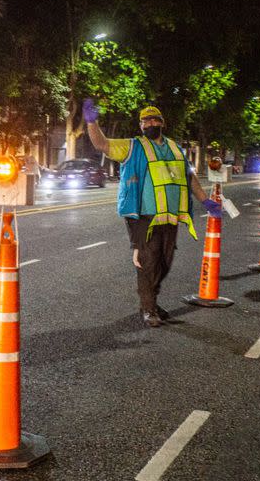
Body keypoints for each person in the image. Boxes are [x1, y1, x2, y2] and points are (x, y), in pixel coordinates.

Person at [83, 100, 221, 327]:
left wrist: (206, 201)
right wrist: (91, 122)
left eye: (154, 119)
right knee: (148, 261)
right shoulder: (132, 146)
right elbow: (102, 144)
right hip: (142, 217)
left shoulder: (175, 148)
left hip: (169, 216)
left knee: (164, 262)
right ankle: (148, 309)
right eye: (145, 121)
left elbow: (189, 177)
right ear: (140, 126)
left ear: (162, 123)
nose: (149, 123)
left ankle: (151, 302)